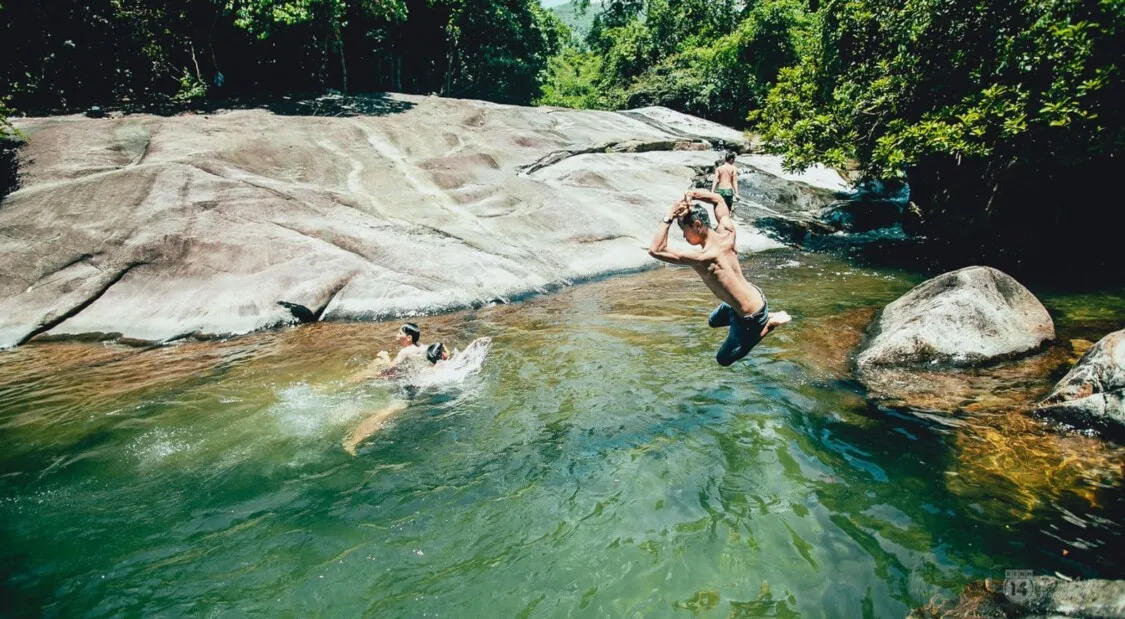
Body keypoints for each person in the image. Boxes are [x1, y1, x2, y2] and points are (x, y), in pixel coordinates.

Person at [648, 189, 790, 366]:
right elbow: (718, 200)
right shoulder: (727, 233)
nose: (684, 237)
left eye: (685, 231)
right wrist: (693, 194)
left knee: (723, 359)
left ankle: (769, 323)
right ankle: (756, 315)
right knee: (713, 322)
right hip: (755, 295)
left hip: (750, 316)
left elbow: (656, 250)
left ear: (697, 225)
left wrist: (669, 214)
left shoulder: (703, 258)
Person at [348, 322, 426, 383]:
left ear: (409, 338)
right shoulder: (421, 346)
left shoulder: (404, 351)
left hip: (407, 378)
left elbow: (391, 366)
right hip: (416, 374)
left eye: (400, 333)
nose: (397, 335)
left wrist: (385, 356)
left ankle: (357, 379)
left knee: (378, 369)